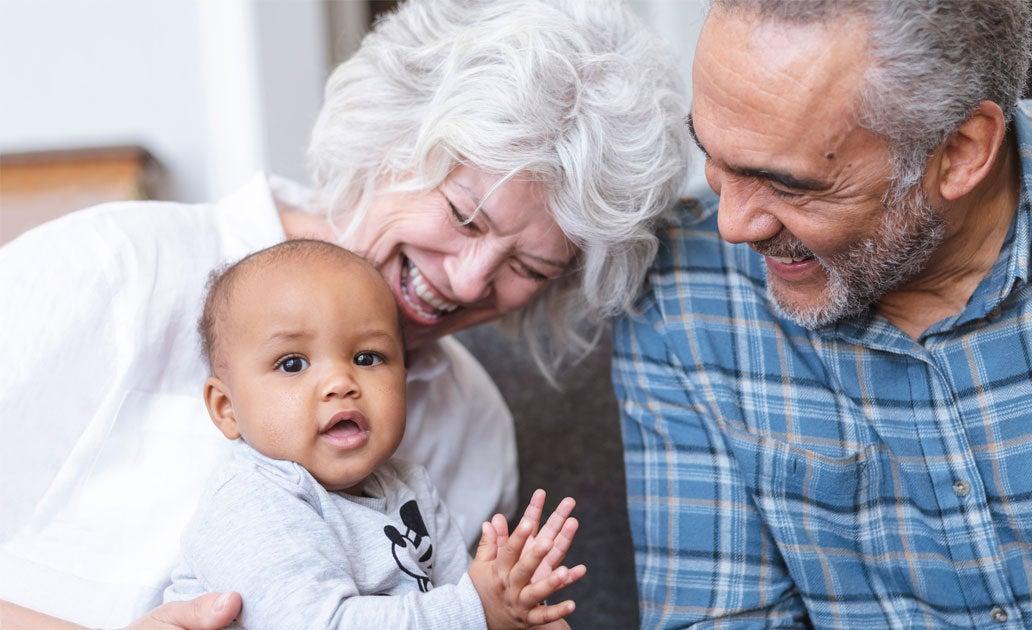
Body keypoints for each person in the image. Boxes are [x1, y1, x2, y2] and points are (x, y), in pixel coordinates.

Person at [0, 0, 687, 627]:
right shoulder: (120, 269)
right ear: (389, 141)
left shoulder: (474, 429)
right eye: (463, 215)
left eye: (528, 268)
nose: (470, 279)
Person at [614, 0, 1032, 627]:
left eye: (789, 185)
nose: (732, 225)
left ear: (962, 152)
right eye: (713, 155)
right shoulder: (683, 294)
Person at [164, 239, 585, 629]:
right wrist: (478, 609)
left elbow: (457, 602)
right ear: (226, 409)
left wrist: (514, 607)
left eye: (368, 357)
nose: (340, 382)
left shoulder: (409, 486)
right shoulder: (250, 501)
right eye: (292, 363)